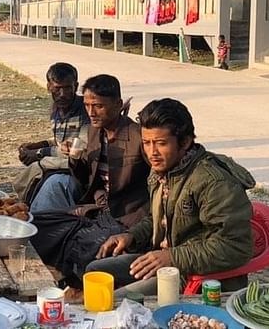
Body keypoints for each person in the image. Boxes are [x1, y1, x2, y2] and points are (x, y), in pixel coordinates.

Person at [86, 98, 255, 297]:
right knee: (94, 271)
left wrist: (172, 257)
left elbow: (236, 247)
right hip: (166, 261)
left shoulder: (213, 182)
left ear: (185, 142)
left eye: (161, 143)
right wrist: (132, 236)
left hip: (197, 276)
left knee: (113, 300)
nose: (152, 153)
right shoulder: (162, 170)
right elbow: (159, 218)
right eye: (146, 143)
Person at [30, 74, 149, 226]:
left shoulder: (139, 137)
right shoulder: (94, 131)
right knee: (54, 185)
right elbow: (86, 180)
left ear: (118, 105)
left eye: (99, 106)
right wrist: (75, 157)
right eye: (87, 105)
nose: (91, 113)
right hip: (97, 202)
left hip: (126, 212)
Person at [13, 63, 90, 203]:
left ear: (76, 86)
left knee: (45, 175)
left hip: (80, 168)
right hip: (62, 161)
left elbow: (80, 148)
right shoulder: (56, 110)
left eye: (67, 88)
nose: (62, 94)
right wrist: (38, 145)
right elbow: (60, 140)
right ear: (49, 87)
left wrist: (39, 153)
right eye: (57, 88)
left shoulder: (86, 110)